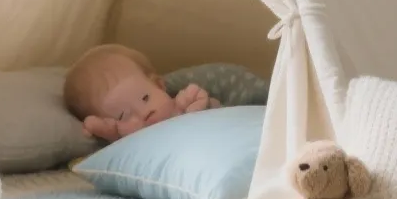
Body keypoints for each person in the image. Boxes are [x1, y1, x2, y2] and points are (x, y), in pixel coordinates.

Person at [63, 44, 267, 142]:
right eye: (123, 115)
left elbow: (203, 102)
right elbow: (98, 127)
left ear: (160, 86)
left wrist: (196, 104)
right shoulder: (133, 140)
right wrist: (108, 129)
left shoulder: (180, 105)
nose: (142, 113)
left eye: (145, 98)